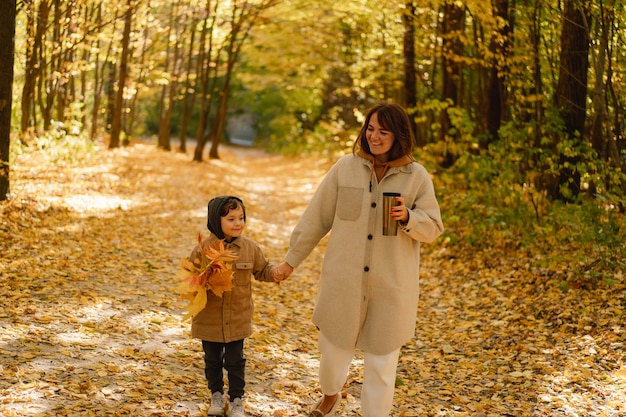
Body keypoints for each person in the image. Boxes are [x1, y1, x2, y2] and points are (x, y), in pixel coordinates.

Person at [273, 102, 444, 417]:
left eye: (383, 131)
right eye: (370, 129)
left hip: (392, 288)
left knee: (381, 366)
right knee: (332, 356)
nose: (374, 137)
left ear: (399, 135)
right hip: (344, 281)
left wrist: (409, 217)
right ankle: (330, 394)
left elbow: (433, 228)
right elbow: (316, 218)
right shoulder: (345, 167)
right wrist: (290, 261)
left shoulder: (417, 176)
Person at [187, 196, 283, 417]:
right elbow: (190, 278)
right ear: (215, 221)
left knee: (235, 360)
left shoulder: (249, 248)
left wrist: (275, 273)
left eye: (241, 218)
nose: (238, 223)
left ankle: (237, 399)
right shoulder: (203, 250)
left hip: (238, 317)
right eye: (231, 219)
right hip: (208, 318)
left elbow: (262, 270)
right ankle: (216, 395)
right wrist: (202, 278)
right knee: (212, 359)